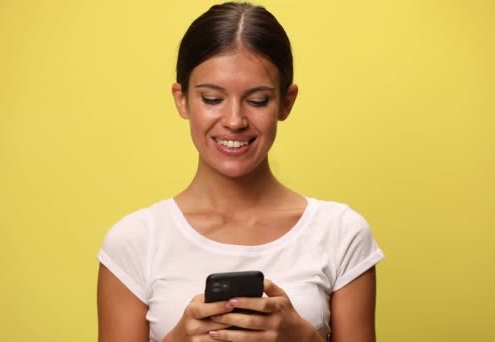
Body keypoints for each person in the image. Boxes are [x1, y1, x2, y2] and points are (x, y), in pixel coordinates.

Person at [97, 2, 384, 341]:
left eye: (258, 100)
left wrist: (304, 339)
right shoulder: (134, 242)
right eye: (212, 99)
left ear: (286, 102)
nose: (234, 120)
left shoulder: (341, 234)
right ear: (182, 99)